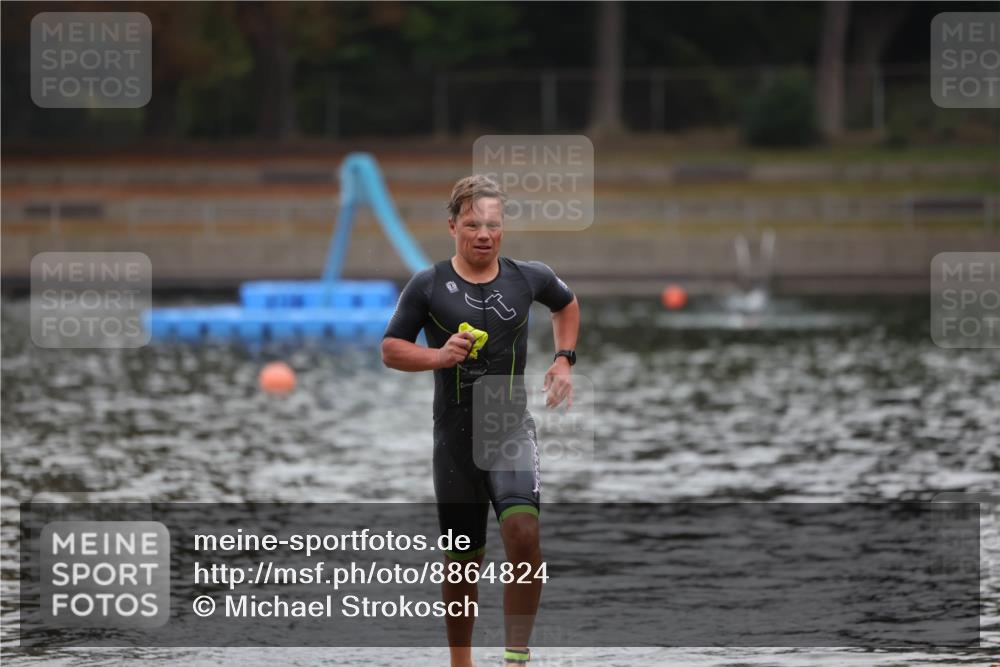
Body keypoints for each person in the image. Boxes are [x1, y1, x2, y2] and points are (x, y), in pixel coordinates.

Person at [382, 175, 580, 667]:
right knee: (462, 563)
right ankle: (461, 662)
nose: (484, 234)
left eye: (492, 224)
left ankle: (517, 657)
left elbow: (566, 304)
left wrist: (564, 360)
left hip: (508, 426)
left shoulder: (528, 277)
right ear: (453, 226)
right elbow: (390, 349)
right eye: (473, 224)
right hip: (453, 436)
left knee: (523, 535)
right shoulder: (427, 285)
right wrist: (438, 357)